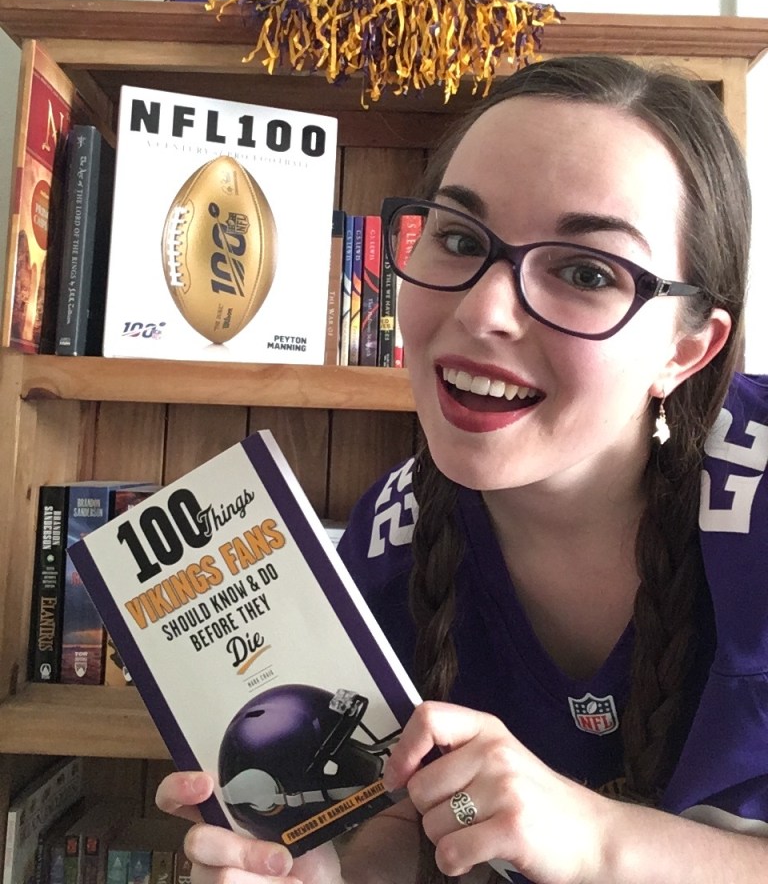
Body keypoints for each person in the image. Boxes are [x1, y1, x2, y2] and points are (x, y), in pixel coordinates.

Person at [156, 54, 768, 883]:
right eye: (458, 238)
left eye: (586, 272)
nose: (481, 312)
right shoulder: (382, 555)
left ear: (687, 349)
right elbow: (388, 852)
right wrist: (324, 872)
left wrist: (599, 841)